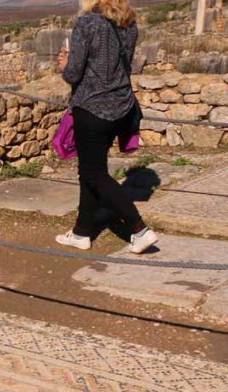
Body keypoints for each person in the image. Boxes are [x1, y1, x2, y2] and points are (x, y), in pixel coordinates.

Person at [56, 0, 159, 254]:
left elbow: (73, 74)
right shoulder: (129, 23)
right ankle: (81, 233)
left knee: (94, 174)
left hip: (92, 109)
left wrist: (64, 64)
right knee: (91, 170)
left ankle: (139, 229)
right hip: (121, 107)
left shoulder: (87, 22)